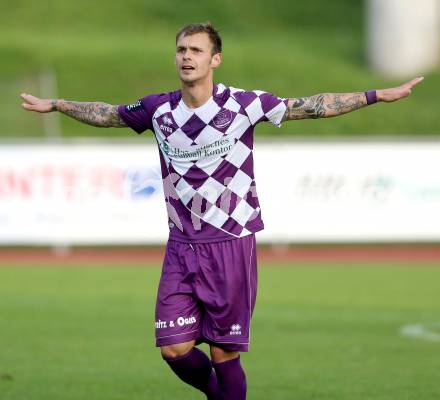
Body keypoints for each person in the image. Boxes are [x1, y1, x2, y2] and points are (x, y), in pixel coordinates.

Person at [21, 22, 423, 400]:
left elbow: (311, 106)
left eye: (196, 50)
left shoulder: (243, 105)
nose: (186, 56)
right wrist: (56, 104)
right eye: (180, 49)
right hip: (181, 244)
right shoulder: (158, 110)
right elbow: (108, 113)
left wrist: (375, 95)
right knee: (174, 349)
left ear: (215, 59)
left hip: (230, 241)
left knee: (223, 353)